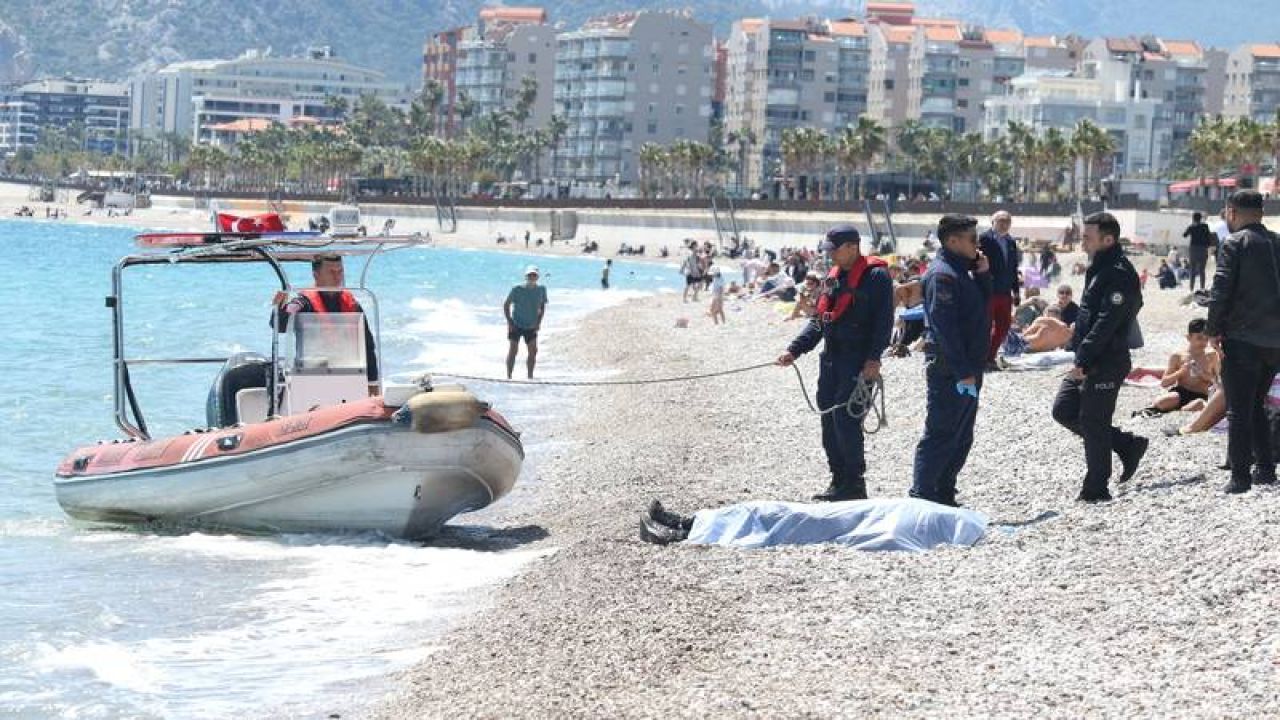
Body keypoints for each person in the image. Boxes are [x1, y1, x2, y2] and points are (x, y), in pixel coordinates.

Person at [777, 225, 894, 502]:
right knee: (828, 421)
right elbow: (819, 321)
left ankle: (854, 484)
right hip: (831, 360)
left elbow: (884, 322)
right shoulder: (833, 278)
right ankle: (838, 480)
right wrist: (794, 350)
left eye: (834, 250)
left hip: (858, 362)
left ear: (853, 247)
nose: (830, 256)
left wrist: (874, 358)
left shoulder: (876, 277)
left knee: (846, 421)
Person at [1051, 212, 1148, 502]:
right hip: (1088, 355)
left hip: (1106, 359)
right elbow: (1091, 313)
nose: (1082, 241)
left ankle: (1096, 489)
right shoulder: (1098, 266)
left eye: (1087, 237)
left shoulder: (1119, 272)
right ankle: (1127, 444)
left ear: (1108, 239)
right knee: (1064, 410)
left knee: (1094, 421)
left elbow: (1108, 320)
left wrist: (1084, 357)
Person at [910, 215, 991, 507]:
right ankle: (923, 495)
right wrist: (962, 371)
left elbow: (983, 307)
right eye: (972, 239)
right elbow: (945, 328)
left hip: (968, 365)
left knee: (962, 433)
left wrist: (983, 274)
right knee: (941, 431)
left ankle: (944, 492)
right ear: (953, 241)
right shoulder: (942, 274)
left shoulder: (962, 271)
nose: (977, 244)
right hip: (951, 368)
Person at [1207, 189, 1280, 493]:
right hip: (1274, 342)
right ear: (1261, 213)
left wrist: (1212, 329)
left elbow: (1221, 288)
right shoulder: (1277, 241)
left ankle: (1240, 477)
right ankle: (1265, 468)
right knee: (1256, 403)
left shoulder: (1234, 242)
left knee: (1238, 408)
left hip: (1242, 338)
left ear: (1232, 212)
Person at [272, 254, 380, 394]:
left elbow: (368, 345)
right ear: (316, 275)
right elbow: (280, 325)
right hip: (312, 378)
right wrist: (279, 309)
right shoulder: (303, 302)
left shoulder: (352, 304)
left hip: (349, 374)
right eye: (331, 272)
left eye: (340, 271)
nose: (337, 277)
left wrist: (373, 382)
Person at [1138, 318, 1220, 416]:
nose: (1203, 342)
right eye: (1199, 338)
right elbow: (1164, 383)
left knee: (1198, 404)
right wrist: (1181, 371)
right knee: (1161, 402)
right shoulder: (1178, 356)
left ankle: (1178, 411)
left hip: (1201, 394)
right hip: (1181, 392)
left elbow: (1218, 382)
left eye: (1206, 339)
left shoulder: (1212, 355)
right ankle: (1175, 409)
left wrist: (1203, 374)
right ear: (1188, 337)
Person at [979, 210, 1021, 370]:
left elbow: (1013, 268)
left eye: (1008, 221)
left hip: (1005, 291)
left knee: (1004, 327)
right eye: (1001, 220)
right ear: (993, 222)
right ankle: (982, 359)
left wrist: (1016, 291)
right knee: (985, 326)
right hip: (988, 291)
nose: (1004, 224)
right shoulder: (984, 239)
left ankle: (990, 356)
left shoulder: (1010, 242)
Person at [503, 266, 548, 380]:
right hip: (516, 324)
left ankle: (530, 377)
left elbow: (542, 306)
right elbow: (506, 305)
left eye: (534, 275)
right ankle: (509, 377)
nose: (532, 277)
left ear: (537, 277)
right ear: (525, 276)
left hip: (531, 325)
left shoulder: (541, 289)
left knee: (533, 351)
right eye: (529, 275)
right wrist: (510, 322)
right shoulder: (517, 289)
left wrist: (538, 323)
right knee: (513, 350)